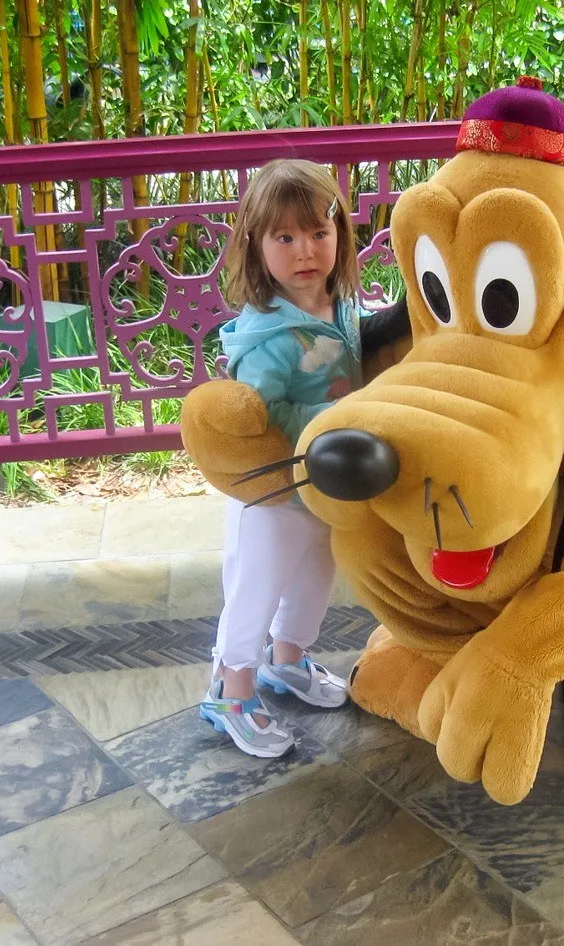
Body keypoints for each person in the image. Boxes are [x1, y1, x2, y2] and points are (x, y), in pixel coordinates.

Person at [198, 158, 364, 758]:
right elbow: (253, 418)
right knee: (255, 589)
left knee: (316, 576)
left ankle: (287, 660)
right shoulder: (267, 339)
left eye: (319, 233)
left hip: (322, 485)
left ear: (340, 234)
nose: (305, 252)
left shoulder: (343, 308)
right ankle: (230, 689)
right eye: (284, 238)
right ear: (257, 246)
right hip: (268, 493)